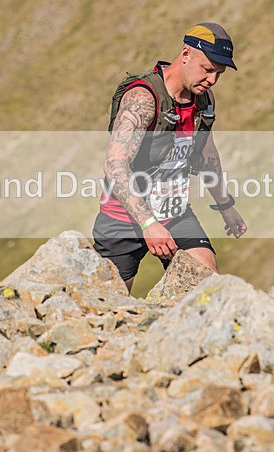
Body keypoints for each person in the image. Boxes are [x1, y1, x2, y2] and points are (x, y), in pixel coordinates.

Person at [92, 22, 247, 292]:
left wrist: (226, 205)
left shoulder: (204, 100)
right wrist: (148, 224)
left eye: (218, 74)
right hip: (123, 220)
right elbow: (115, 164)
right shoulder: (143, 97)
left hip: (175, 214)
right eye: (207, 69)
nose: (212, 80)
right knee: (106, 305)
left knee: (208, 289)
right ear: (185, 54)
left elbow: (207, 154)